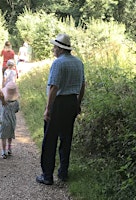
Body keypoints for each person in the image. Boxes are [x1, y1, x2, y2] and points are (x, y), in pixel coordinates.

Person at [36, 33, 85, 185]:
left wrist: (48, 109)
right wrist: (78, 103)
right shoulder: (79, 63)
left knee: (50, 139)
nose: (53, 50)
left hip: (58, 104)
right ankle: (63, 172)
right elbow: (83, 85)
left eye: (54, 47)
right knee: (66, 138)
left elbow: (54, 88)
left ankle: (47, 175)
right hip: (71, 102)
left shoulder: (58, 63)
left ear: (60, 48)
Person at [0, 81, 20, 159]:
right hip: (12, 121)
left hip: (3, 120)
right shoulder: (16, 102)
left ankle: (4, 151)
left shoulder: (2, 101)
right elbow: (17, 110)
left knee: (3, 136)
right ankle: (9, 148)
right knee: (10, 135)